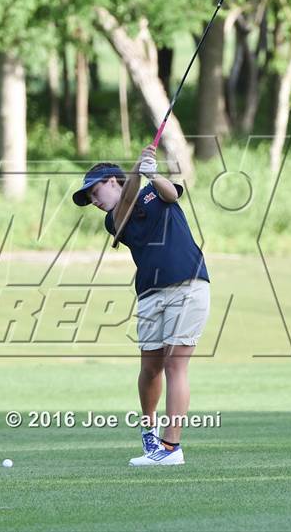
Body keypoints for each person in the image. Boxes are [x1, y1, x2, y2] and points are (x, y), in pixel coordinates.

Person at [72, 145, 210, 466]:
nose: (94, 201)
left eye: (95, 192)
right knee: (150, 368)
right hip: (149, 292)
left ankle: (171, 448)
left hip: (187, 282)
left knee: (176, 365)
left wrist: (150, 172)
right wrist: (137, 169)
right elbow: (125, 207)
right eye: (90, 198)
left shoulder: (153, 192)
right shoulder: (113, 220)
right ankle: (149, 432)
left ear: (112, 181)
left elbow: (171, 195)